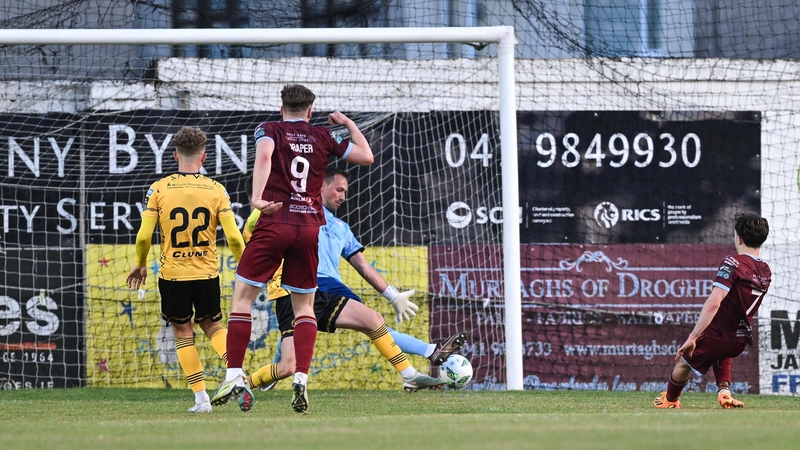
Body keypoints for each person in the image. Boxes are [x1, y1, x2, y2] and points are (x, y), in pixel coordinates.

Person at [212, 84, 374, 414]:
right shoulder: (323, 137)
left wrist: (257, 198)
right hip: (308, 227)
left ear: (282, 106)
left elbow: (265, 155)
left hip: (275, 221)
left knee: (242, 299)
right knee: (305, 309)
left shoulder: (269, 129)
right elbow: (366, 156)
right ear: (311, 111)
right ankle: (300, 376)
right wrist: (348, 124)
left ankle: (233, 374)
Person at [248, 168, 467, 392]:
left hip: (331, 286)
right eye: (339, 189)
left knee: (373, 322)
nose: (343, 196)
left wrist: (393, 296)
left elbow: (363, 266)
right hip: (303, 282)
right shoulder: (300, 210)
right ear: (322, 186)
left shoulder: (343, 228)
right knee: (300, 345)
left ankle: (425, 357)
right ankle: (426, 356)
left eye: (345, 191)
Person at [126, 126, 245, 413]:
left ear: (175, 155)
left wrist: (141, 264)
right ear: (203, 157)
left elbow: (143, 236)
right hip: (207, 274)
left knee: (183, 331)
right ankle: (237, 374)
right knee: (213, 324)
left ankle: (202, 400)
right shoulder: (217, 190)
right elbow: (233, 238)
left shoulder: (159, 188)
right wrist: (246, 264)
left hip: (173, 276)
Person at [247, 269, 447, 392]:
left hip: (314, 289)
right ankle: (244, 383)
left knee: (373, 319)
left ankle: (410, 375)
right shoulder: (263, 217)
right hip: (288, 295)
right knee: (287, 367)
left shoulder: (301, 210)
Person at [654, 212, 771, 409]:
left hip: (717, 336)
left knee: (684, 362)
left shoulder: (733, 262)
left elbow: (714, 302)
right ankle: (724, 393)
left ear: (738, 237)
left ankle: (670, 400)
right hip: (740, 340)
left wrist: (692, 336)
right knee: (721, 350)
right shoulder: (766, 270)